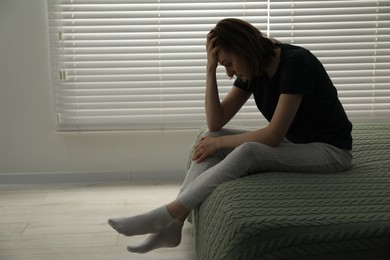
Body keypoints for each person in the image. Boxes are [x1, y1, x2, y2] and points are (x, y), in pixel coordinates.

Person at [108, 18, 353, 254]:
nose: (229, 73)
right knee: (209, 136)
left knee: (248, 151)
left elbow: (273, 136)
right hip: (296, 142)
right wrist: (210, 70)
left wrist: (221, 143)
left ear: (244, 49)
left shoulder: (296, 63)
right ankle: (174, 224)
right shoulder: (254, 69)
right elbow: (216, 122)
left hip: (330, 151)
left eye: (228, 63)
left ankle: (167, 215)